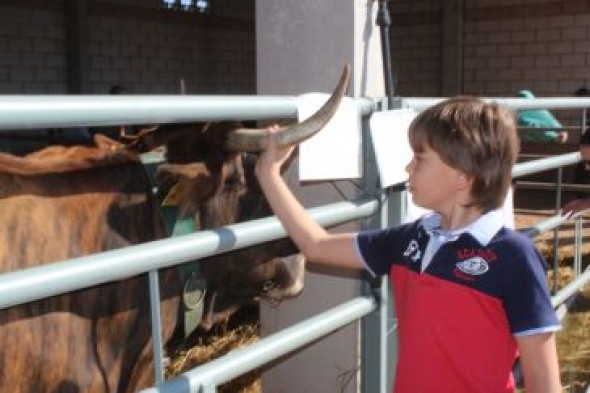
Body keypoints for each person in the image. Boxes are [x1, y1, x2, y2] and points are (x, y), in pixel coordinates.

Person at [255, 96, 561, 393]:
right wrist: (268, 173)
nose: (408, 169)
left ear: (462, 175)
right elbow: (316, 245)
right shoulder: (411, 239)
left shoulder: (513, 256)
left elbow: (544, 382)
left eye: (420, 158)